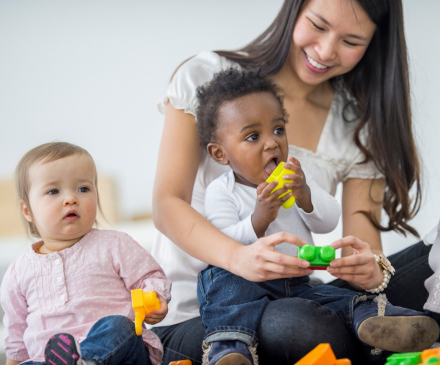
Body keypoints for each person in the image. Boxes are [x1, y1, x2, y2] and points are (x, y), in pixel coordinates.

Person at [151, 0, 429, 364]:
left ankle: (379, 326)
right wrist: (241, 256)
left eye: (351, 41)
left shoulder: (358, 123)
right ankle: (234, 348)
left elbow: (356, 242)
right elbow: (167, 204)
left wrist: (370, 269)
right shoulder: (208, 79)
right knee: (300, 327)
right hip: (201, 309)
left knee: (415, 271)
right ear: (293, 12)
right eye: (318, 24)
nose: (325, 51)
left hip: (297, 289)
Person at [195, 68, 438, 365]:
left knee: (333, 298)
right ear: (220, 154)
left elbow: (328, 220)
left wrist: (305, 195)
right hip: (244, 280)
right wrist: (259, 219)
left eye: (278, 130)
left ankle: (379, 320)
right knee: (225, 290)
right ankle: (230, 349)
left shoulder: (298, 177)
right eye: (253, 136)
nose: (272, 143)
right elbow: (224, 243)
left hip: (297, 281)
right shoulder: (223, 190)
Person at [0, 142, 171, 365]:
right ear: (28, 211)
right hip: (45, 360)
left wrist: (155, 298)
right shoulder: (18, 272)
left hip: (121, 357)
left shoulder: (114, 244)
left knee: (118, 326)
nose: (71, 198)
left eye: (83, 189)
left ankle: (86, 361)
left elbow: (150, 277)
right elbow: (16, 337)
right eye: (53, 191)